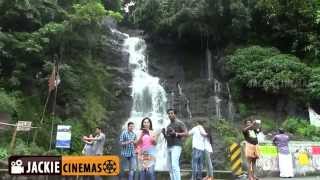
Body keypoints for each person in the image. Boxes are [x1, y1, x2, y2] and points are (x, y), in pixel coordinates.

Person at [162, 109, 188, 180]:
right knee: (170, 166)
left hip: (176, 146)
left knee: (174, 165)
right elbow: (168, 138)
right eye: (169, 114)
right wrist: (164, 134)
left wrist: (176, 133)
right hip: (169, 146)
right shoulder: (168, 126)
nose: (170, 115)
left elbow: (186, 133)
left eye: (171, 113)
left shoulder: (180, 123)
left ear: (175, 114)